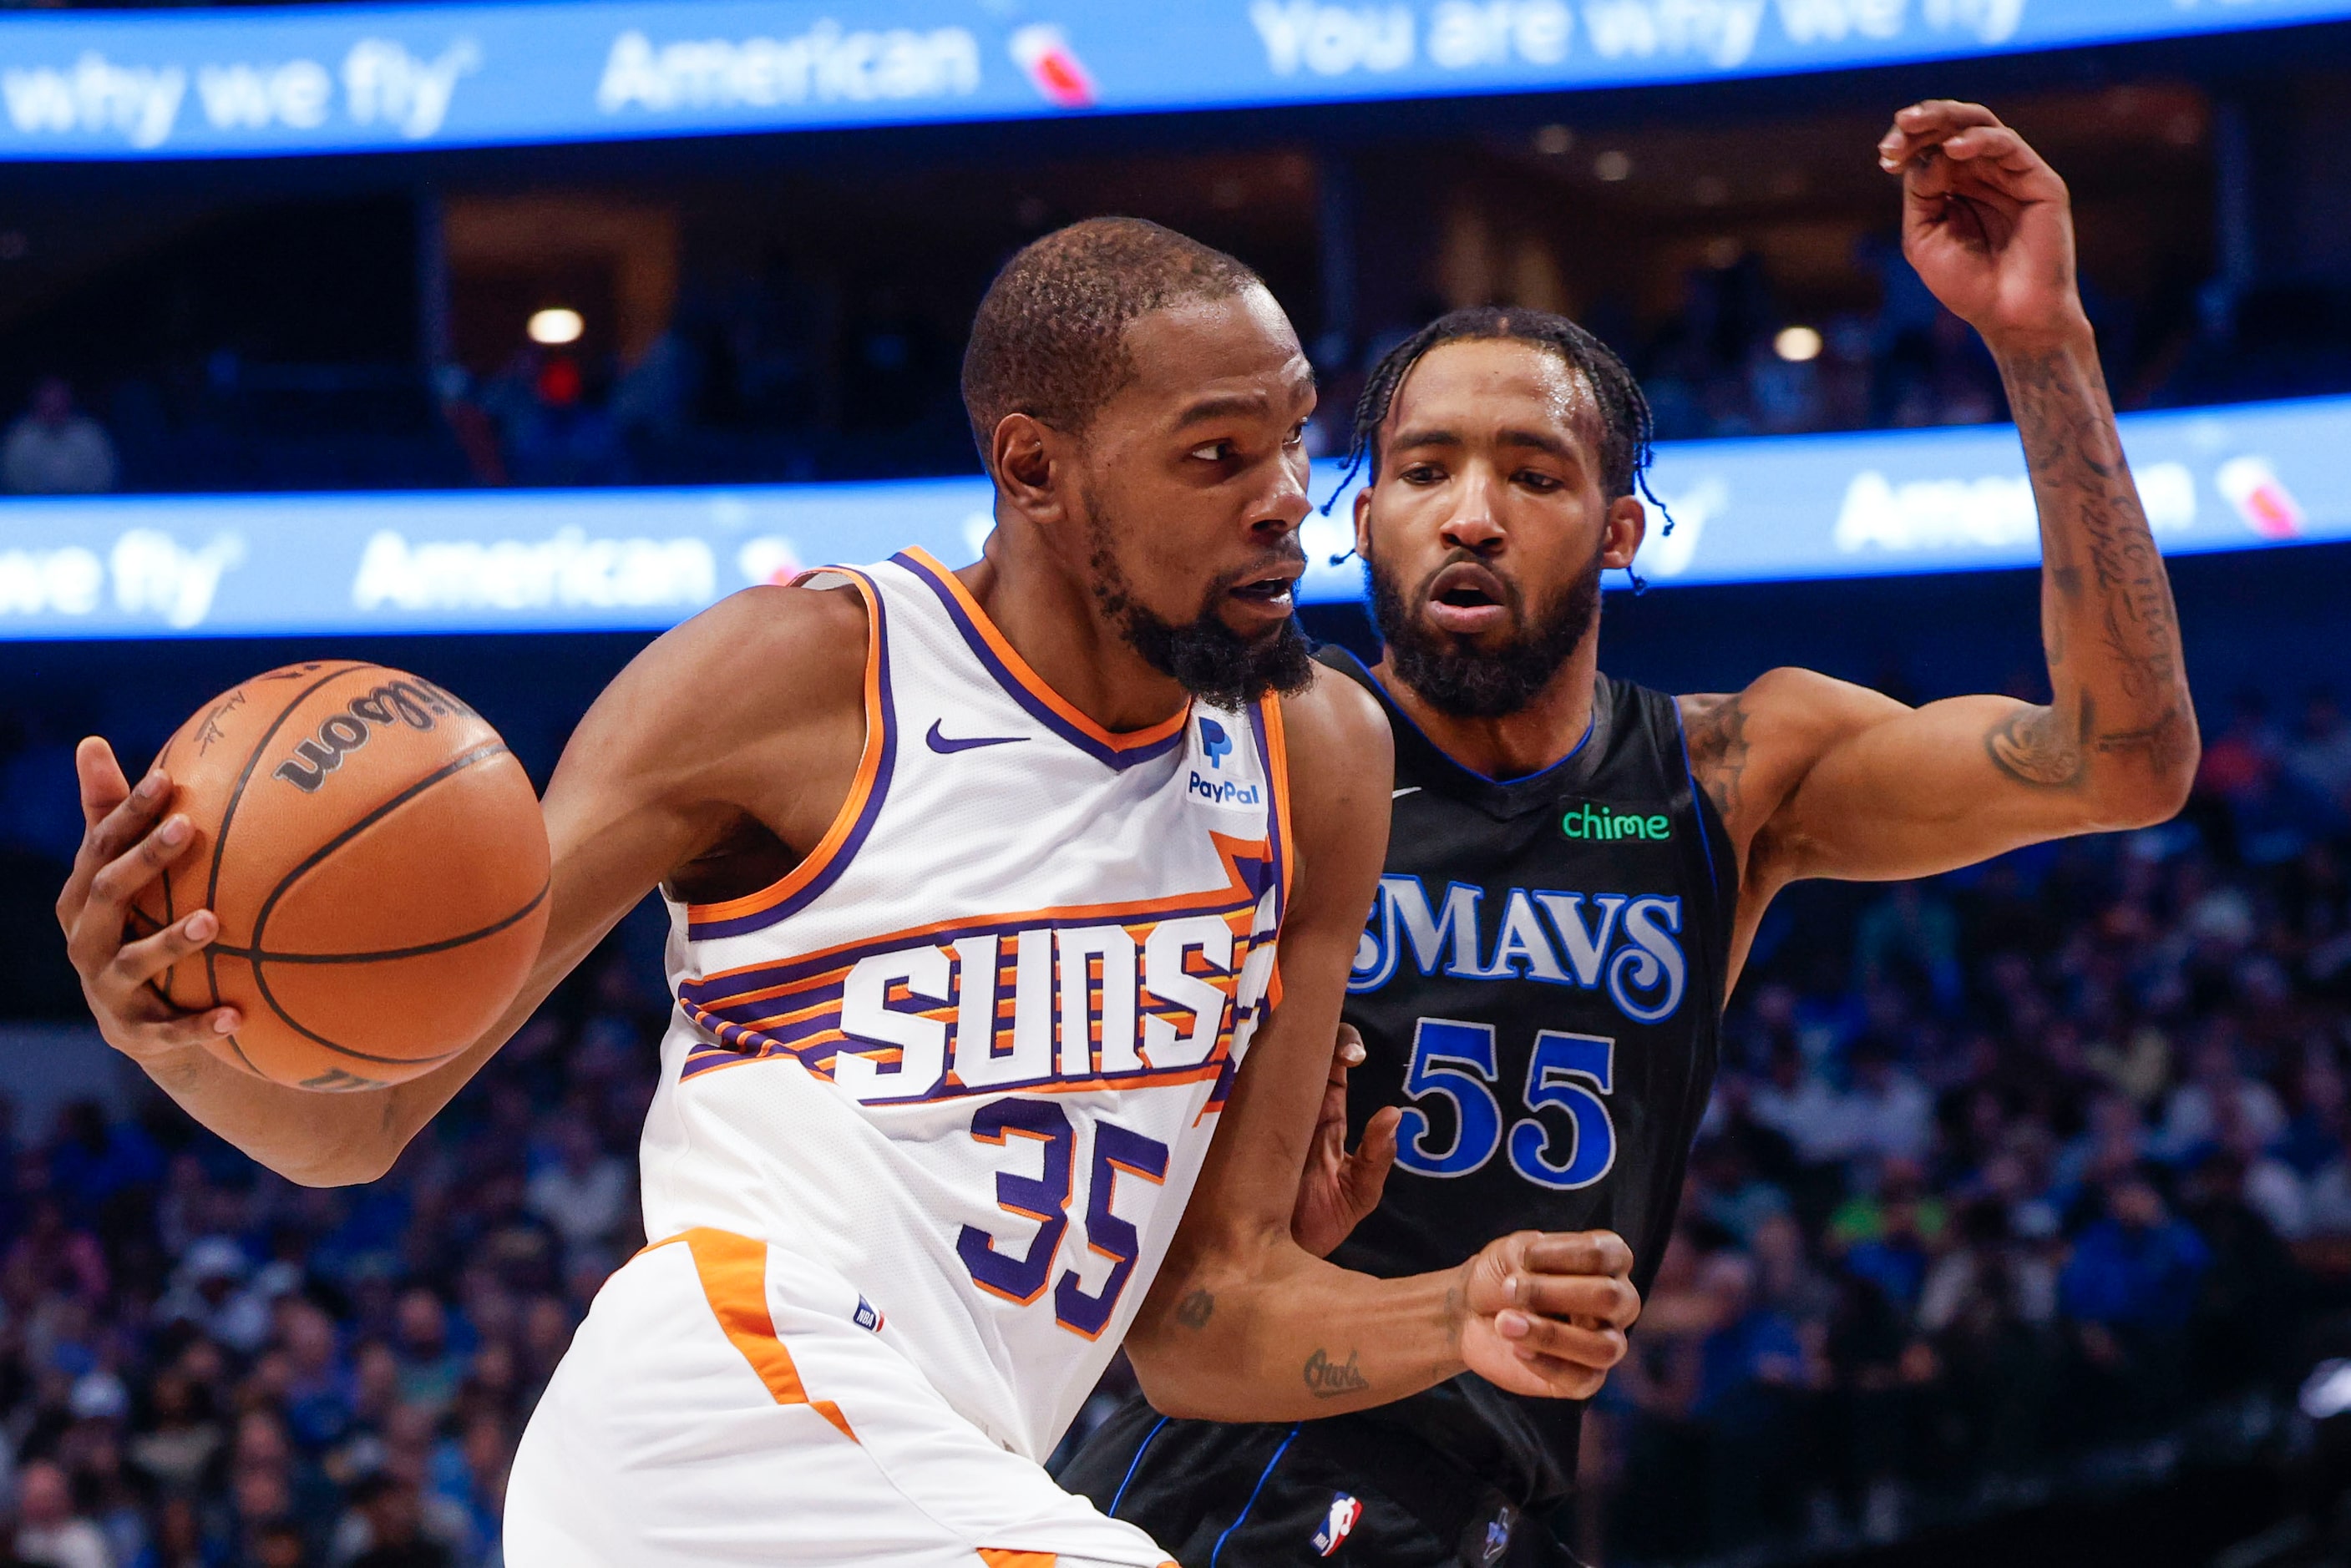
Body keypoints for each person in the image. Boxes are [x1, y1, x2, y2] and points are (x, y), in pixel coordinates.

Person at [55, 219, 1642, 1567]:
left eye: (1298, 435)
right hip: (722, 1416)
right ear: (1036, 466)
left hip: (943, 1475)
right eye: (1219, 453)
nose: (1289, 495)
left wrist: (1452, 1311)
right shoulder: (799, 678)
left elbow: (1204, 1313)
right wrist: (169, 1030)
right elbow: (358, 1120)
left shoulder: (1319, 755)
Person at [1067, 100, 2198, 1565]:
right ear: (1361, 521)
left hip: (1498, 1485)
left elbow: (2126, 760)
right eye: (1423, 470)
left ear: (1618, 530)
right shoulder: (1262, 741)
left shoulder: (1733, 769)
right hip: (1221, 1460)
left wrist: (2043, 345)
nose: (1470, 514)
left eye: (1532, 474)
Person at [2, 378, 118, 496]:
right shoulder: (20, 438)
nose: (53, 409)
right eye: (48, 404)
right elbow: (12, 479)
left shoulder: (90, 435)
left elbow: (104, 475)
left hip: (84, 505)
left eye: (58, 402)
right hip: (32, 507)